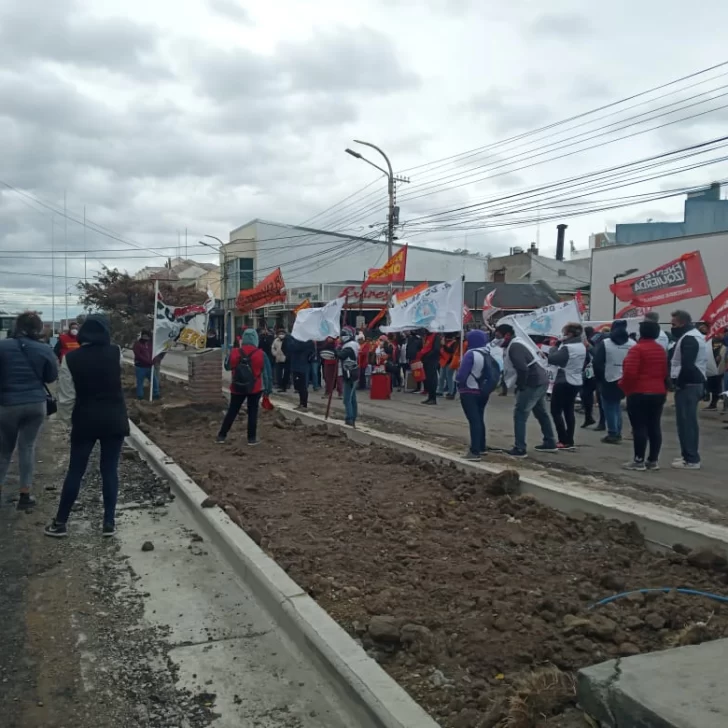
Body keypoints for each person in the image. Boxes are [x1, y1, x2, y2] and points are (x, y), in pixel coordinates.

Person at [45, 315, 128, 537]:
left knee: (76, 471)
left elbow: (66, 398)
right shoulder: (116, 352)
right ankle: (109, 522)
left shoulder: (70, 359)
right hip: (114, 419)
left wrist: (66, 422)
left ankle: (60, 522)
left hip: (85, 421)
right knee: (109, 470)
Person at [0, 312, 58, 510]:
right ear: (38, 328)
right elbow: (51, 377)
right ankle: (25, 495)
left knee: (4, 451)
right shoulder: (43, 349)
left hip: (7, 404)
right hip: (36, 404)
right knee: (27, 447)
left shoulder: (3, 346)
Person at [494, 323, 557, 458]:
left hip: (532, 383)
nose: (496, 339)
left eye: (498, 336)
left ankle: (520, 448)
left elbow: (523, 368)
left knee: (520, 414)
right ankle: (550, 441)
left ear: (507, 335)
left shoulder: (514, 347)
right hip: (540, 380)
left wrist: (521, 386)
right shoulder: (517, 343)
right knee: (541, 412)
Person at [620, 319, 669, 471]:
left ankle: (638, 459)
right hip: (658, 391)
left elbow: (630, 372)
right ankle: (653, 460)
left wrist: (624, 388)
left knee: (639, 426)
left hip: (639, 391)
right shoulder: (660, 349)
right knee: (654, 426)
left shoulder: (637, 349)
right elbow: (664, 372)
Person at [670, 309, 708, 469]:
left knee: (687, 423)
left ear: (682, 323)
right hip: (692, 384)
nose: (672, 327)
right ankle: (687, 456)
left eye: (674, 324)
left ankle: (692, 459)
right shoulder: (691, 336)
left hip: (689, 385)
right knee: (686, 422)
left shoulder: (690, 338)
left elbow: (687, 364)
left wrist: (680, 382)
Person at [217, 328, 266, 445]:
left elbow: (227, 367)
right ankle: (251, 438)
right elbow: (267, 373)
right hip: (255, 387)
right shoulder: (261, 353)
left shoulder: (234, 352)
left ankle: (221, 436)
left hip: (237, 387)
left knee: (232, 411)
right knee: (252, 412)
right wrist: (267, 390)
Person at [456, 329, 498, 461]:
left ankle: (474, 451)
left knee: (474, 421)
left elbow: (462, 376)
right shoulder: (487, 353)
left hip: (468, 390)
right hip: (482, 391)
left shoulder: (470, 354)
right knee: (479, 418)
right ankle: (481, 446)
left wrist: (457, 381)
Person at [592, 319, 635, 444]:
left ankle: (613, 433)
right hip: (626, 377)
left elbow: (597, 362)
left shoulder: (606, 343)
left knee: (610, 406)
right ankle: (617, 431)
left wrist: (600, 378)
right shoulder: (632, 343)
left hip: (609, 377)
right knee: (616, 406)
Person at [547, 322, 586, 451]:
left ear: (569, 334)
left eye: (564, 333)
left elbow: (552, 359)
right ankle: (570, 439)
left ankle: (563, 439)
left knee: (556, 411)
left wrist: (554, 347)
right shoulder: (581, 346)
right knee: (569, 410)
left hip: (564, 380)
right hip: (576, 380)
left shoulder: (567, 348)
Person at [337, 326, 360, 426]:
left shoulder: (349, 346)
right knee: (352, 398)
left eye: (343, 335)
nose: (341, 337)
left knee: (347, 399)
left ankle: (349, 418)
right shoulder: (353, 345)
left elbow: (342, 355)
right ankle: (353, 417)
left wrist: (336, 350)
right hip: (353, 373)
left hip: (349, 374)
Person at [132, 328, 161, 400]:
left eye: (147, 336)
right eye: (144, 336)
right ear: (142, 336)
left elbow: (154, 353)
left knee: (154, 381)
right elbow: (138, 355)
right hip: (140, 367)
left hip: (150, 367)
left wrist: (154, 360)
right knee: (140, 382)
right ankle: (140, 397)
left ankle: (156, 394)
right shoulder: (137, 344)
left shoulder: (150, 344)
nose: (146, 338)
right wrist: (148, 361)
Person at [288, 336, 315, 412]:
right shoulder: (295, 339)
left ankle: (303, 404)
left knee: (302, 386)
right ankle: (302, 403)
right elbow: (289, 348)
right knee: (298, 386)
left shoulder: (306, 341)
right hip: (296, 365)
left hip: (302, 366)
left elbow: (295, 347)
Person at [415, 329, 440, 404]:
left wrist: (427, 356)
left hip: (432, 361)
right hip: (426, 361)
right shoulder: (427, 337)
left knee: (432, 380)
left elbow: (436, 349)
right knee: (427, 380)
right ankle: (430, 397)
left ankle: (433, 398)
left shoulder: (436, 336)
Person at [580, 326, 598, 428]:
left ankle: (589, 416)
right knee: (585, 394)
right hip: (586, 372)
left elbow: (595, 354)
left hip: (590, 372)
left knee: (586, 393)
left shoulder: (590, 343)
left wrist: (588, 347)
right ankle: (588, 416)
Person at [705, 334, 723, 410]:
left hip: (722, 366)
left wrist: (721, 355)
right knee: (713, 385)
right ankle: (713, 403)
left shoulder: (724, 341)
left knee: (719, 385)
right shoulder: (710, 341)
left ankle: (721, 404)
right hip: (712, 366)